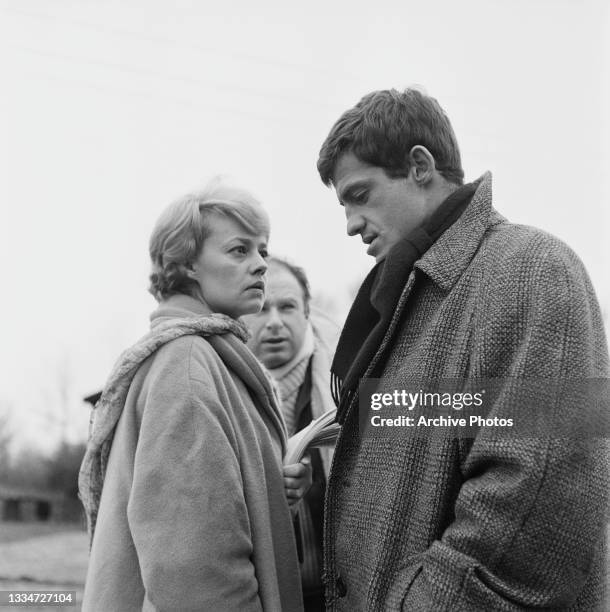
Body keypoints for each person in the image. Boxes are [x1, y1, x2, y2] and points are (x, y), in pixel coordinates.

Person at [316, 88, 609, 610]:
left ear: (420, 166)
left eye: (359, 195)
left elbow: (539, 500)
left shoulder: (530, 270)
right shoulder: (408, 305)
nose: (350, 224)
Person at [78, 179, 311, 611]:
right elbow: (193, 571)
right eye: (240, 250)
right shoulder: (185, 366)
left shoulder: (210, 357)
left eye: (263, 249)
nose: (261, 264)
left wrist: (274, 493)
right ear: (186, 265)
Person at [244, 256, 339, 611]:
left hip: (345, 592)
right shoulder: (223, 390)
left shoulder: (348, 377)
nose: (274, 323)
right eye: (262, 309)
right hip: (266, 596)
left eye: (287, 307)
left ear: (307, 313)